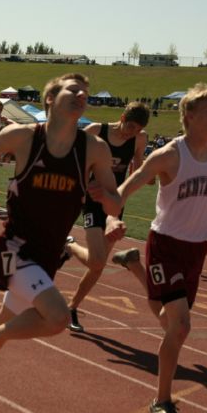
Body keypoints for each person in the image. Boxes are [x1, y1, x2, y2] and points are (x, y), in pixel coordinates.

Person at [0, 73, 121, 413]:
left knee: (8, 328)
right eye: (73, 89)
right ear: (50, 98)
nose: (81, 94)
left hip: (47, 255)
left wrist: (111, 215)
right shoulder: (24, 137)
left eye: (86, 91)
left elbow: (113, 203)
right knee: (57, 319)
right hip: (15, 249)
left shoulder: (94, 149)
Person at [114, 83, 207, 413]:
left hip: (196, 249)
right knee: (182, 325)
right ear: (189, 116)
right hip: (167, 245)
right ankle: (162, 399)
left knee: (169, 320)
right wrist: (113, 215)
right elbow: (131, 183)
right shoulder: (171, 154)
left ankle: (133, 268)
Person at [65, 102, 150, 333]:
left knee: (98, 266)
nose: (130, 132)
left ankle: (72, 307)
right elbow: (73, 159)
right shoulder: (95, 131)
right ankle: (70, 246)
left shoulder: (139, 139)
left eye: (136, 129)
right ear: (122, 117)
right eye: (129, 126)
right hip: (92, 198)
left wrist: (145, 174)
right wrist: (82, 187)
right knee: (97, 260)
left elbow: (138, 166)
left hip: (115, 202)